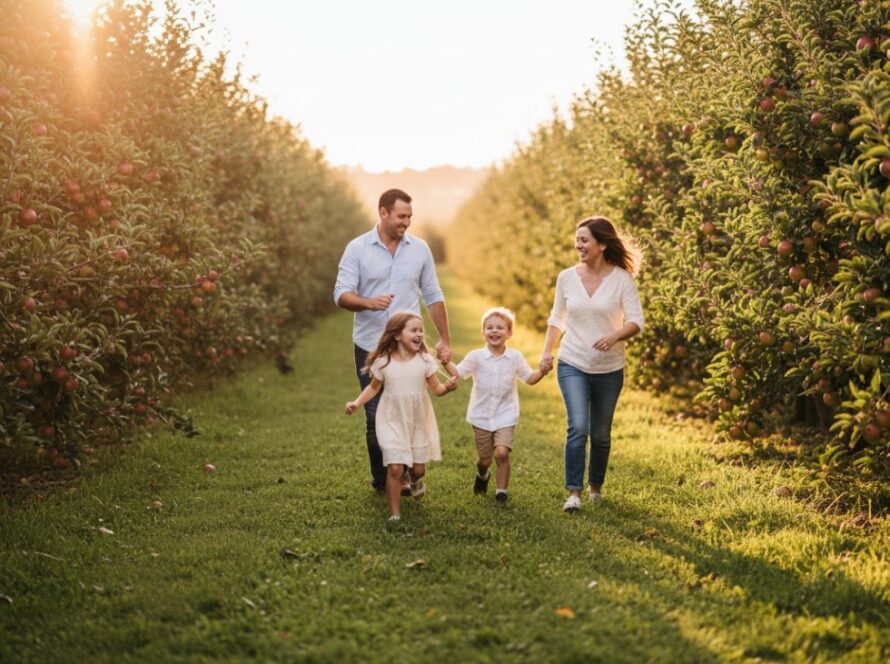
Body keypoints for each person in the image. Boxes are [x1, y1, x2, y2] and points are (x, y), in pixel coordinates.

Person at [334, 189, 452, 495]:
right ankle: (384, 481)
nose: (406, 223)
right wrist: (368, 303)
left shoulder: (420, 249)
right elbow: (341, 295)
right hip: (369, 345)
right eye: (401, 216)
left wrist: (444, 338)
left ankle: (410, 473)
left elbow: (433, 293)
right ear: (383, 213)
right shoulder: (357, 249)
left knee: (410, 413)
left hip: (409, 348)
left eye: (410, 217)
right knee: (375, 417)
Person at [539, 217, 644, 513]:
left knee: (600, 433)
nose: (579, 245)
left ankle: (595, 487)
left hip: (609, 368)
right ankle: (574, 493)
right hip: (572, 361)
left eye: (584, 240)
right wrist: (547, 351)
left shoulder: (621, 279)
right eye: (577, 239)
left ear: (601, 243)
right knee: (578, 427)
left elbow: (637, 321)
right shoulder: (567, 277)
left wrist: (613, 337)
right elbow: (557, 318)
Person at [345, 312, 457, 521]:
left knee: (418, 469)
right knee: (395, 467)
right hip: (391, 418)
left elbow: (437, 390)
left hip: (417, 420)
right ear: (397, 335)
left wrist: (448, 387)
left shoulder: (425, 361)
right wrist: (357, 403)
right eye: (414, 330)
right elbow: (373, 388)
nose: (420, 334)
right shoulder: (383, 362)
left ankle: (414, 481)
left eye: (421, 330)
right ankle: (395, 514)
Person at [442, 307, 550, 503]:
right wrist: (445, 362)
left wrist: (542, 371)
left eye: (500, 327)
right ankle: (482, 474)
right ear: (483, 333)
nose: (494, 331)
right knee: (485, 459)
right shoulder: (476, 356)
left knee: (501, 453)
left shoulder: (515, 357)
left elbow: (529, 378)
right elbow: (457, 372)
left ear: (509, 333)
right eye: (489, 328)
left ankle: (501, 492)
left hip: (505, 414)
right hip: (481, 415)